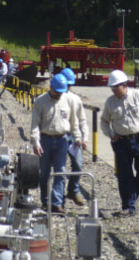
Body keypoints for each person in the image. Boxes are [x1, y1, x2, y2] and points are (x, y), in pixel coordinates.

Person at [100, 70, 139, 217]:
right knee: (124, 175)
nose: (114, 90)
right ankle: (128, 207)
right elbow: (104, 121)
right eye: (112, 88)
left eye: (116, 87)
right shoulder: (110, 101)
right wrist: (111, 134)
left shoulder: (138, 96)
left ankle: (131, 198)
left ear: (124, 84)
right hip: (120, 141)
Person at [30, 74, 81, 214]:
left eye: (61, 92)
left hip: (62, 140)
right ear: (51, 88)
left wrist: (77, 138)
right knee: (44, 173)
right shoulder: (40, 101)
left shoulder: (67, 101)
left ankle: (57, 203)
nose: (59, 95)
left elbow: (73, 122)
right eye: (57, 92)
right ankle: (46, 201)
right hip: (45, 140)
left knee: (60, 171)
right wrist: (36, 142)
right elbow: (35, 124)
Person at [60, 68, 89, 206]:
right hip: (58, 136)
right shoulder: (54, 98)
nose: (68, 86)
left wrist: (85, 138)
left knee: (78, 164)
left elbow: (82, 119)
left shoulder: (75, 99)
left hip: (74, 137)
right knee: (59, 167)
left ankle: (73, 190)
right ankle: (58, 197)